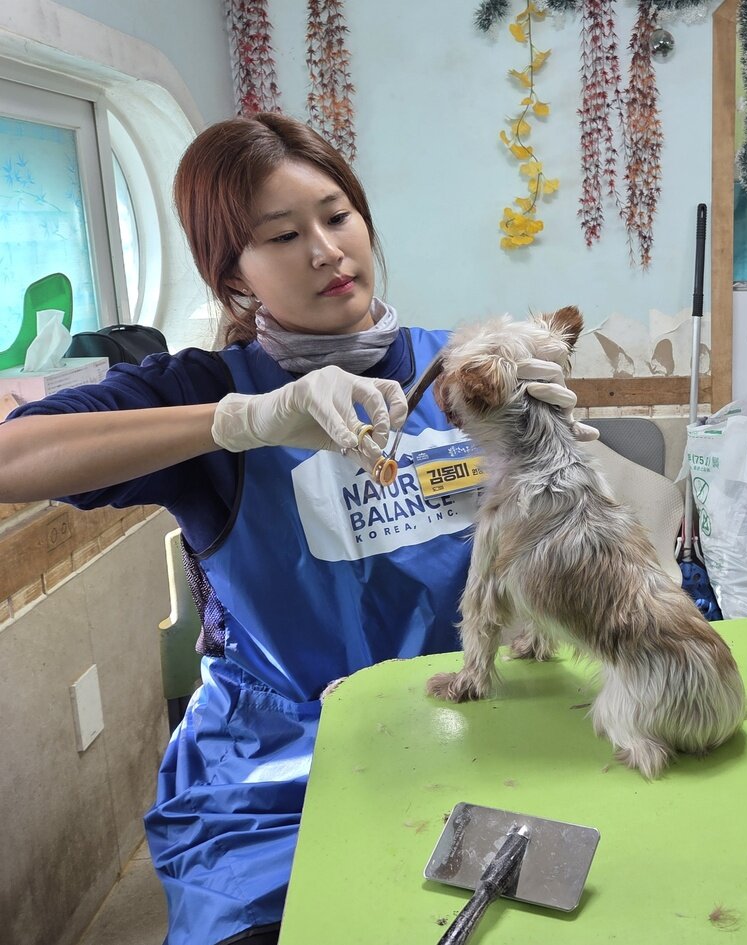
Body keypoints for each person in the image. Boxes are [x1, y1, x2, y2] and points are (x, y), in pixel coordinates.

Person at [0, 113, 583, 945]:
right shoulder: (208, 389)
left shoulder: (458, 372)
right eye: (281, 236)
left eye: (337, 216)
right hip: (284, 774)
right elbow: (10, 455)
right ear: (233, 276)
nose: (325, 251)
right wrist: (242, 420)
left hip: (481, 728)